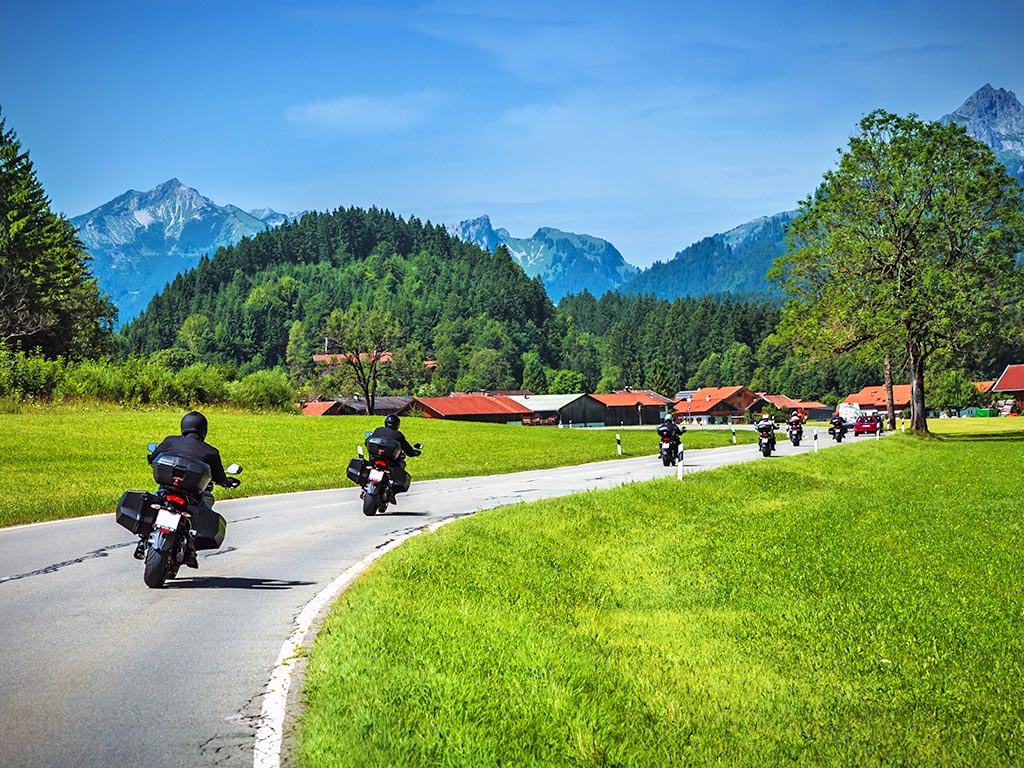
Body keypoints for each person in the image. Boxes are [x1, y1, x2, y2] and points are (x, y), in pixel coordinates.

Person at [146, 411, 239, 567]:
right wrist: (226, 482)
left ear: (184, 425)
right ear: (203, 429)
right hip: (191, 495)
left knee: (153, 500)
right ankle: (191, 550)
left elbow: (154, 456)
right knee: (203, 511)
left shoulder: (170, 441)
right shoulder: (211, 451)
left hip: (167, 489)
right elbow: (219, 476)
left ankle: (145, 536)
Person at [367, 414, 421, 502]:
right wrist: (414, 453)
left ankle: (364, 488)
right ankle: (392, 492)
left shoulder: (378, 430)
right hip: (389, 461)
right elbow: (408, 449)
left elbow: (367, 441)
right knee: (400, 466)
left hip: (375, 458)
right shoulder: (398, 435)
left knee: (368, 466)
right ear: (397, 425)